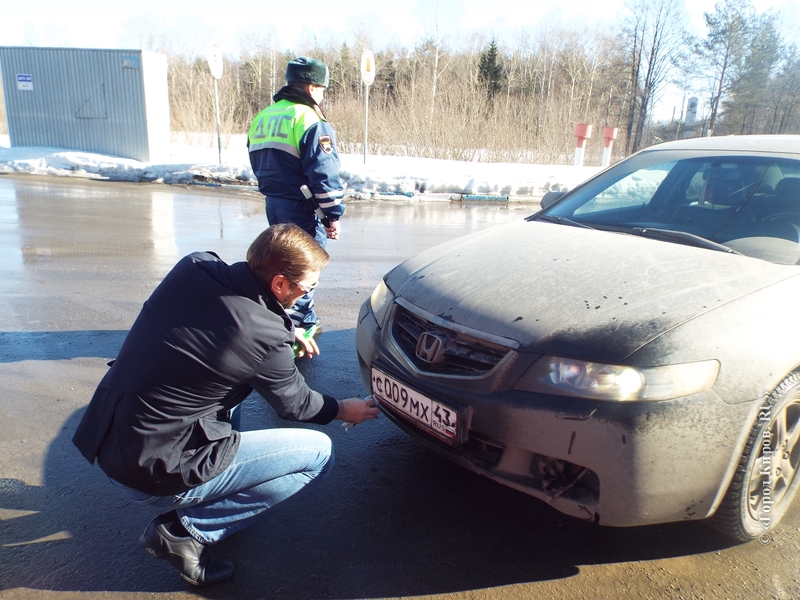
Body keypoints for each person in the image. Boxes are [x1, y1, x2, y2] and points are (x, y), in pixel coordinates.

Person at [72, 223, 378, 587]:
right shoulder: (262, 334)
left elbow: (226, 326)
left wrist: (281, 332)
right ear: (280, 284)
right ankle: (185, 531)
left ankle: (206, 494)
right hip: (150, 471)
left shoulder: (194, 267)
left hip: (108, 433)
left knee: (224, 382)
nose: (307, 293)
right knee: (318, 455)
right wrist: (345, 409)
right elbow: (297, 405)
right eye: (307, 287)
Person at [247, 56, 345, 333]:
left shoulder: (264, 116)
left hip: (274, 202)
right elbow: (323, 173)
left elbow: (257, 162)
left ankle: (287, 317)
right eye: (323, 89)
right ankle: (296, 326)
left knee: (281, 262)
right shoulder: (309, 118)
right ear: (313, 87)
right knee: (303, 268)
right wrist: (331, 215)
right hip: (303, 207)